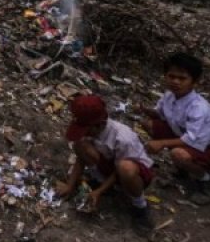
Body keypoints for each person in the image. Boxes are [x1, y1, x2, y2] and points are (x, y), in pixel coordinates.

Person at [56, 94, 155, 234]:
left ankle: (140, 206)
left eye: (87, 130)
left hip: (134, 174)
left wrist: (99, 191)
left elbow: (119, 170)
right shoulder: (91, 130)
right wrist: (70, 185)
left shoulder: (123, 138)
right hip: (110, 166)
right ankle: (103, 183)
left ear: (100, 124)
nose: (86, 133)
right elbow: (80, 158)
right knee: (80, 145)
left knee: (125, 168)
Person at [140, 53, 210, 206]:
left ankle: (205, 180)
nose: (175, 81)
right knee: (149, 124)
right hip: (185, 136)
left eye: (182, 78)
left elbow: (192, 139)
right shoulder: (169, 95)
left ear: (194, 82)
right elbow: (160, 115)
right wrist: (145, 110)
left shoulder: (199, 108)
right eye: (171, 76)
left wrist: (161, 143)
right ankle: (183, 170)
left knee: (178, 154)